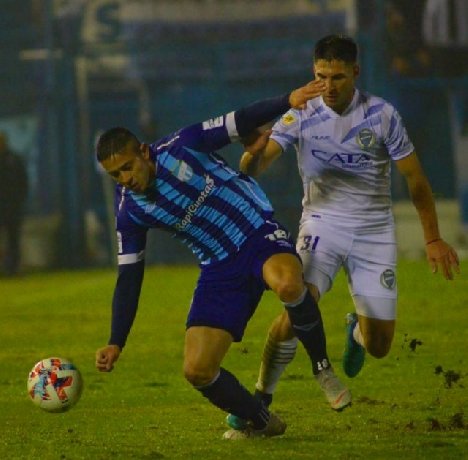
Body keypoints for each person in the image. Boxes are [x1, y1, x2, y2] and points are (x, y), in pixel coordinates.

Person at [226, 34, 460, 431]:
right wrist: (251, 153)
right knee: (295, 307)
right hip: (322, 225)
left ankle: (356, 330)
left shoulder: (382, 115)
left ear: (355, 72)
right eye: (320, 77)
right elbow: (255, 168)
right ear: (312, 74)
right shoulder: (300, 113)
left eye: (337, 77)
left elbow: (416, 180)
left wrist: (433, 238)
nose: (328, 87)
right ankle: (259, 401)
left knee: (381, 347)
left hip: (373, 232)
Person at [94, 80, 351, 441]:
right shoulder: (129, 213)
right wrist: (116, 341)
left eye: (126, 167)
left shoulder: (184, 145)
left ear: (143, 152)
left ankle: (322, 368)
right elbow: (129, 277)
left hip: (255, 233)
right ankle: (260, 420)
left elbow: (239, 119)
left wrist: (286, 100)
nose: (124, 180)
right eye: (114, 175)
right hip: (218, 269)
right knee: (197, 369)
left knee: (289, 284)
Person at [0, 132, 29, 276]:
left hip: (12, 207)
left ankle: (14, 267)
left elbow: (23, 182)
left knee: (13, 239)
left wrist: (18, 199)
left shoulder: (14, 160)